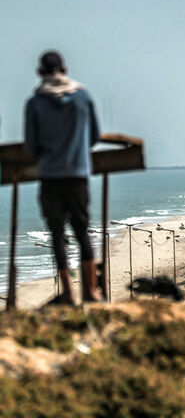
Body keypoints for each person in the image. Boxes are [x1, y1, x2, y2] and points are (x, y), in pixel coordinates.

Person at [25, 50, 102, 304]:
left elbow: (32, 146)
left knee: (57, 234)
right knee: (82, 231)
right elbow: (93, 136)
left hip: (50, 176)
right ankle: (91, 291)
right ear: (65, 70)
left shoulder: (35, 104)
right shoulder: (83, 97)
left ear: (40, 73)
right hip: (78, 174)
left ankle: (68, 293)